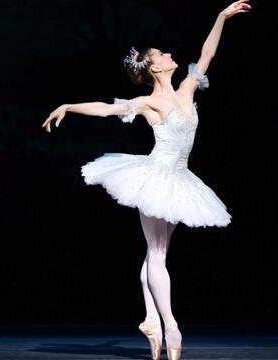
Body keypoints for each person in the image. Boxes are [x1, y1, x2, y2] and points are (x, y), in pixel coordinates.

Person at [42, 1, 251, 358]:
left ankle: (151, 319)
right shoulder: (149, 103)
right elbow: (108, 109)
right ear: (155, 66)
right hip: (156, 176)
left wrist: (220, 17)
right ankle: (170, 326)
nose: (170, 54)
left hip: (180, 178)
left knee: (158, 254)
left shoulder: (186, 89)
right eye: (163, 53)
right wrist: (68, 107)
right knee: (156, 253)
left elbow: (208, 53)